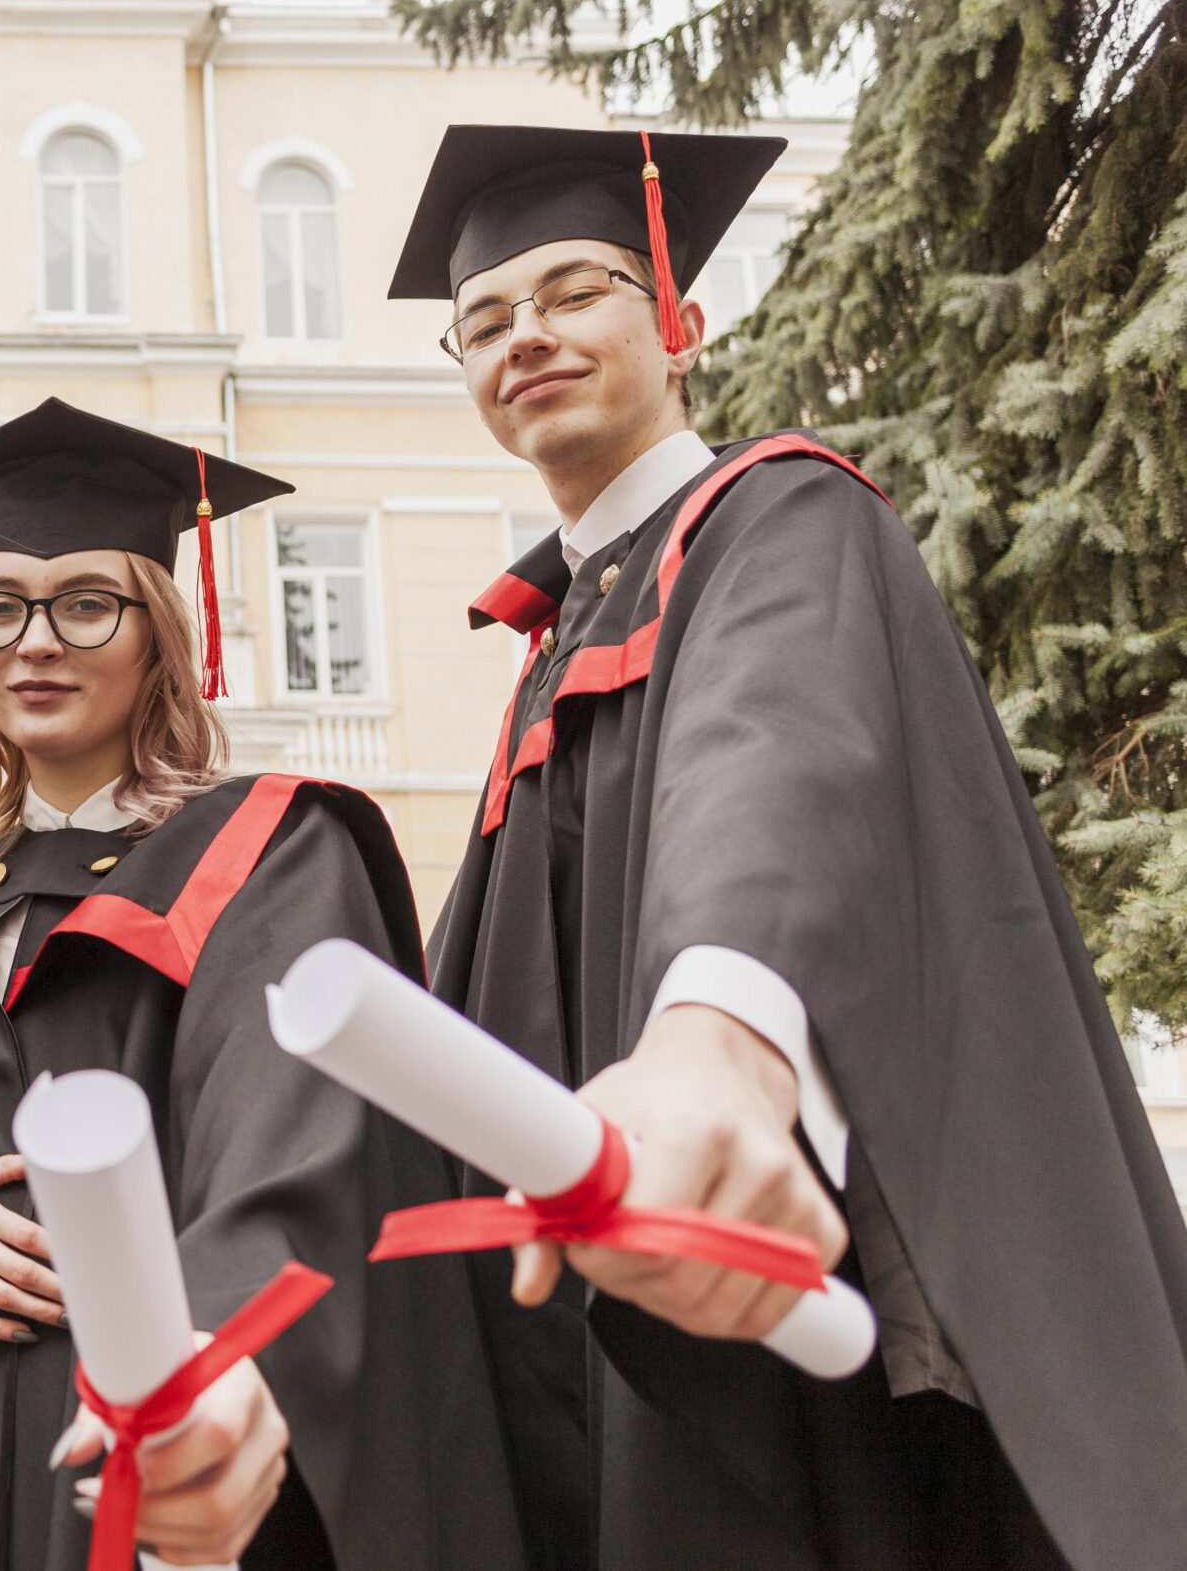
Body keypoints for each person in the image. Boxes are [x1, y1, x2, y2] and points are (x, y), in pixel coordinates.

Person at [395, 122, 1187, 1569]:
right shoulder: (552, 631)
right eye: (487, 320)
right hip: (582, 1327)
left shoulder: (776, 510)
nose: (529, 336)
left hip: (779, 1302)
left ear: (678, 318)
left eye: (575, 288)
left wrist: (716, 1042)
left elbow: (778, 763)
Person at [0, 397, 525, 1571]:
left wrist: (197, 1376)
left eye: (88, 603)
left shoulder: (266, 852)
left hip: (161, 1425)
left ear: (157, 636)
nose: (35, 640)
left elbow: (295, 1150)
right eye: (0, 607)